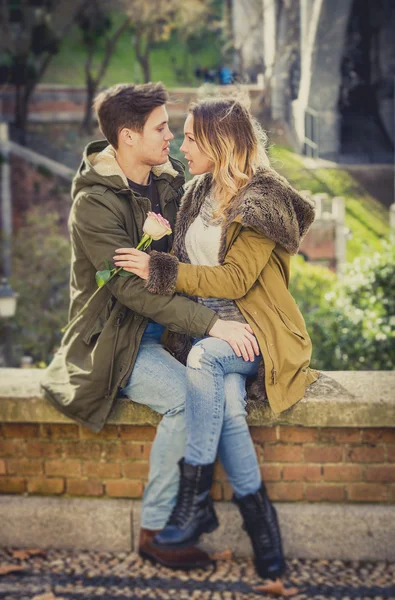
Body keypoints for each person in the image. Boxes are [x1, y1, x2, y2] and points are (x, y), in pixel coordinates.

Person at [40, 83, 259, 571]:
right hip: (116, 338)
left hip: (170, 331)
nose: (170, 138)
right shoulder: (94, 205)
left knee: (224, 394)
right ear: (128, 136)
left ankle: (198, 507)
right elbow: (129, 291)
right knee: (187, 398)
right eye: (161, 128)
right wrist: (211, 325)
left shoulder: (168, 180)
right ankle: (155, 530)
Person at [114, 98, 320, 592]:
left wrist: (161, 270)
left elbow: (234, 278)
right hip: (210, 332)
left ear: (218, 144)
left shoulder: (263, 201)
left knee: (206, 358)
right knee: (225, 404)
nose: (181, 146)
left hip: (258, 333)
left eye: (189, 138)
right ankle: (263, 531)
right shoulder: (196, 193)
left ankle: (194, 503)